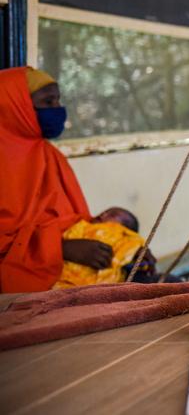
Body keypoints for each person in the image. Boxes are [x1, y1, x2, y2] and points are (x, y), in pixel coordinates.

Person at [0, 67, 155, 291]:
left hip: (71, 265)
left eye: (58, 100)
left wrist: (125, 245)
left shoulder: (48, 155)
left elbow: (73, 220)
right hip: (29, 282)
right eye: (48, 101)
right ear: (15, 106)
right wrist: (61, 249)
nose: (58, 109)